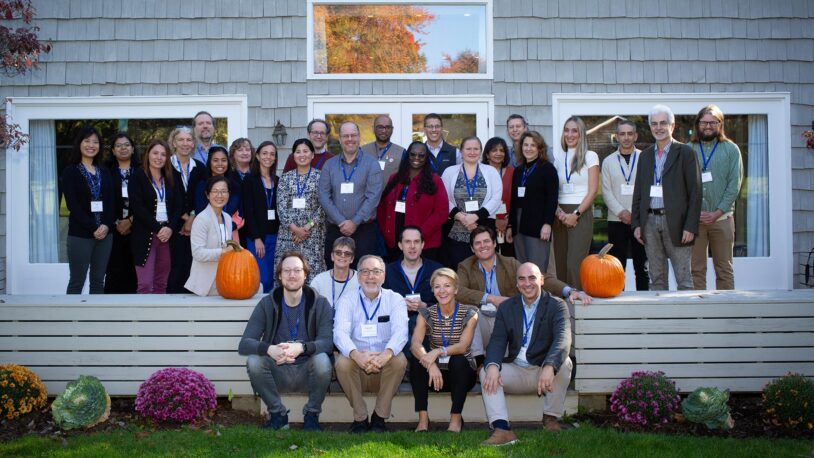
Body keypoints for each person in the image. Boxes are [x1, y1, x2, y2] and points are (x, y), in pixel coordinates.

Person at [238, 251, 334, 431]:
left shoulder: (320, 303)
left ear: (305, 275)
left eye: (297, 270)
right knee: (254, 361)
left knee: (322, 360)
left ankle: (312, 415)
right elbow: (244, 344)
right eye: (287, 270)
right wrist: (270, 349)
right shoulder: (267, 303)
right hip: (277, 371)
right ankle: (278, 414)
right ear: (280, 276)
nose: (292, 275)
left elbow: (328, 342)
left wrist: (301, 348)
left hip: (309, 373)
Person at [480, 262, 573, 446]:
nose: (527, 283)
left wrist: (549, 366)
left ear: (542, 280)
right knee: (486, 371)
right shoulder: (507, 307)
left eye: (532, 278)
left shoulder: (557, 305)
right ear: (517, 283)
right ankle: (502, 429)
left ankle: (551, 418)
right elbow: (497, 340)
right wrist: (492, 366)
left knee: (565, 363)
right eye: (522, 279)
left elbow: (563, 340)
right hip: (516, 370)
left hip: (543, 372)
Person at [457, 226, 590, 350]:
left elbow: (539, 277)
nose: (483, 246)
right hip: (482, 321)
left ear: (494, 243)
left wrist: (570, 290)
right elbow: (458, 291)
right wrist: (491, 298)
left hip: (508, 319)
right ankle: (478, 362)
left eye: (486, 241)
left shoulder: (510, 264)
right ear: (472, 248)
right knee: (471, 314)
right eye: (478, 243)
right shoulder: (465, 266)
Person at [333, 255, 408, 433]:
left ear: (383, 276)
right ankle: (360, 419)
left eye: (376, 272)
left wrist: (385, 355)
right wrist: (357, 355)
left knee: (399, 360)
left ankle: (379, 418)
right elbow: (339, 333)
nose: (370, 276)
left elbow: (401, 332)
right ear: (358, 277)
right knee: (342, 362)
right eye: (365, 272)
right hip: (357, 368)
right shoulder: (347, 300)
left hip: (384, 368)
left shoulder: (395, 299)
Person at [632, 104, 702, 291]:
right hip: (650, 223)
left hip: (677, 223)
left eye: (663, 123)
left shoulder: (686, 153)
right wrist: (637, 224)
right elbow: (638, 192)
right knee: (657, 279)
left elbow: (695, 193)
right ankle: (660, 319)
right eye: (654, 124)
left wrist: (690, 226)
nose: (658, 127)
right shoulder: (645, 156)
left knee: (684, 280)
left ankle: (686, 319)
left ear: (672, 126)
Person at [410, 268, 478, 433]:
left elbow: (463, 346)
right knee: (417, 360)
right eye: (437, 286)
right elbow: (415, 344)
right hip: (435, 375)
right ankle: (423, 420)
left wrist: (438, 351)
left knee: (459, 359)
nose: (442, 291)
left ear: (455, 290)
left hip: (462, 374)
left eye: (447, 286)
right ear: (432, 291)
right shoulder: (426, 313)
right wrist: (430, 364)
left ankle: (455, 419)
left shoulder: (470, 313)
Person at [689, 105, 743, 290]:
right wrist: (694, 213)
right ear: (697, 124)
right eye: (704, 122)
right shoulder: (687, 150)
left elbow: (734, 186)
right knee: (696, 270)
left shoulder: (731, 149)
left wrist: (716, 212)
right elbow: (681, 186)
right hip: (694, 222)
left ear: (720, 124)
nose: (708, 126)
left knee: (724, 269)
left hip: (722, 219)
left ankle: (726, 313)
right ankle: (698, 315)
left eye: (713, 122)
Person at [318, 122, 384, 269]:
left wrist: (355, 222)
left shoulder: (372, 164)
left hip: (364, 230)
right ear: (340, 139)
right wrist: (341, 221)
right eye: (345, 136)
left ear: (359, 137)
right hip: (336, 229)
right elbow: (323, 195)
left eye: (353, 135)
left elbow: (373, 197)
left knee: (364, 271)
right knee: (335, 270)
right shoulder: (329, 165)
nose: (350, 139)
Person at [62, 126, 115, 294]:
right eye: (87, 141)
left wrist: (106, 225)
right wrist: (94, 227)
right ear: (79, 144)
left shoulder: (105, 172)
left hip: (105, 235)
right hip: (80, 234)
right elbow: (73, 205)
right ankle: (71, 320)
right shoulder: (70, 171)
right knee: (77, 281)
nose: (91, 145)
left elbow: (112, 202)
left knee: (98, 280)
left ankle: (96, 319)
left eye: (95, 142)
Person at [377, 142, 448, 262]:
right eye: (413, 154)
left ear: (426, 158)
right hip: (395, 242)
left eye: (421, 155)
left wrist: (419, 235)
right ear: (407, 156)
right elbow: (383, 207)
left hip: (424, 242)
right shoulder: (394, 178)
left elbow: (442, 213)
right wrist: (386, 232)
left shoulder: (435, 180)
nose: (416, 158)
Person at [129, 139, 183, 294]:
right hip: (146, 235)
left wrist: (170, 228)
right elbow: (138, 208)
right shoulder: (137, 177)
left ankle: (160, 318)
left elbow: (178, 206)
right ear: (148, 154)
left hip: (167, 236)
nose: (159, 157)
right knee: (145, 284)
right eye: (155, 153)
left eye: (163, 154)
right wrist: (159, 229)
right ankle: (143, 318)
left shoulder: (171, 177)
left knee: (161, 283)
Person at [552, 116, 599, 289]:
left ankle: (578, 304)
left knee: (574, 263)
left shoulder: (590, 156)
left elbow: (593, 190)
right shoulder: (559, 157)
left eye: (574, 131)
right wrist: (559, 212)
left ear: (581, 134)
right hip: (560, 213)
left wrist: (576, 214)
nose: (570, 134)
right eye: (566, 130)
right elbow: (553, 190)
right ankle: (563, 306)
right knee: (560, 263)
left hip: (581, 212)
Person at [601, 120, 649, 291]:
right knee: (617, 267)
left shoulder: (645, 158)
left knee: (642, 267)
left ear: (636, 136)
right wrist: (621, 212)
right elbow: (606, 192)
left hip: (640, 221)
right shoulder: (608, 161)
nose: (626, 137)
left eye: (630, 134)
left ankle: (644, 305)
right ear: (617, 136)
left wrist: (634, 215)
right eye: (622, 134)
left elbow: (648, 189)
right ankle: (618, 302)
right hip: (616, 220)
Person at [441, 136, 503, 269]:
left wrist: (475, 217)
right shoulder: (449, 172)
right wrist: (462, 218)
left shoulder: (491, 171)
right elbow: (443, 199)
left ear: (481, 151)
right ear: (461, 151)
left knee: (485, 267)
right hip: (457, 229)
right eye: (468, 148)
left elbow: (496, 198)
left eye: (476, 149)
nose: (472, 152)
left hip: (484, 226)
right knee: (459, 268)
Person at [383, 226, 443, 358]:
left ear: (423, 245)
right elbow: (380, 304)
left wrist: (425, 306)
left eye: (416, 242)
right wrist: (399, 305)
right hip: (397, 324)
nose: (412, 246)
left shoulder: (437, 270)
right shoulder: (388, 271)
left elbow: (447, 306)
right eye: (407, 242)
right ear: (400, 245)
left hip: (428, 324)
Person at [275, 138, 326, 285]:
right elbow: (281, 206)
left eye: (305, 151)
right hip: (288, 235)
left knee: (312, 275)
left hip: (313, 234)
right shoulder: (285, 178)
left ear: (312, 155)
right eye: (298, 152)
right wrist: (294, 229)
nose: (301, 154)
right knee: (288, 273)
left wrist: (306, 227)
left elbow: (323, 206)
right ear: (293, 155)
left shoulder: (321, 176)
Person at [507, 131, 559, 273]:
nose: (528, 148)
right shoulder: (518, 171)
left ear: (539, 148)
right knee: (522, 267)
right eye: (526, 145)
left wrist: (547, 224)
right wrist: (510, 225)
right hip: (519, 224)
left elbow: (552, 198)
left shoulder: (547, 169)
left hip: (538, 225)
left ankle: (539, 295)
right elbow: (514, 200)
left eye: (533, 145)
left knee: (536, 268)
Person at [167, 126, 206, 293]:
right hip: (170, 226)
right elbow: (163, 195)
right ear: (173, 142)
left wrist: (191, 217)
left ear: (193, 144)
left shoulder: (200, 168)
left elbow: (204, 196)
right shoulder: (165, 166)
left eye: (189, 140)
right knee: (173, 269)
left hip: (194, 226)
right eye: (181, 140)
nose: (185, 143)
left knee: (191, 268)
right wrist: (182, 217)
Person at [185, 176, 237, 296]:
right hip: (206, 283)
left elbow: (227, 246)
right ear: (207, 195)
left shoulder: (228, 218)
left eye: (224, 191)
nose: (220, 195)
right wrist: (223, 252)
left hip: (225, 277)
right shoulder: (201, 219)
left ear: (229, 194)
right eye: (215, 191)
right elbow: (198, 253)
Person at [243, 141, 280, 293]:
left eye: (272, 154)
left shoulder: (277, 180)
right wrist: (256, 238)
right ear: (257, 156)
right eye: (264, 153)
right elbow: (248, 211)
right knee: (261, 278)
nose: (268, 157)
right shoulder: (249, 180)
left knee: (273, 276)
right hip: (258, 238)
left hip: (276, 235)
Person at [104, 133, 138, 293]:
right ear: (113, 150)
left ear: (132, 149)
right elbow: (103, 200)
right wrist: (116, 222)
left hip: (137, 227)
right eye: (118, 145)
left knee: (134, 270)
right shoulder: (105, 171)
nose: (123, 148)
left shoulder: (142, 171)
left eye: (126, 145)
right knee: (114, 269)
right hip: (113, 229)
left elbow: (147, 200)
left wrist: (130, 220)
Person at [193, 146, 243, 239]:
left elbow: (241, 211)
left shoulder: (235, 185)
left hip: (231, 233)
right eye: (215, 160)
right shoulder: (202, 185)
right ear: (209, 163)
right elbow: (199, 211)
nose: (220, 164)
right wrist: (217, 227)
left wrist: (229, 226)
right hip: (208, 234)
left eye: (224, 160)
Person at [482, 136, 515, 257]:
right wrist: (494, 221)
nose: (498, 153)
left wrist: (509, 222)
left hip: (509, 223)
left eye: (502, 150)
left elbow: (516, 200)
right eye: (494, 150)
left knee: (508, 257)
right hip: (487, 222)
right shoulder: (480, 172)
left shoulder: (512, 172)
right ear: (487, 154)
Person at [310, 237, 359, 309]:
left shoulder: (360, 280)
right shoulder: (318, 281)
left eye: (347, 254)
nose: (342, 256)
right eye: (338, 253)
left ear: (352, 259)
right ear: (332, 256)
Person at [361, 114, 405, 180]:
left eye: (387, 127)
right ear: (373, 129)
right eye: (380, 127)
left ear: (392, 130)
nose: (384, 131)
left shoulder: (401, 152)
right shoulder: (362, 151)